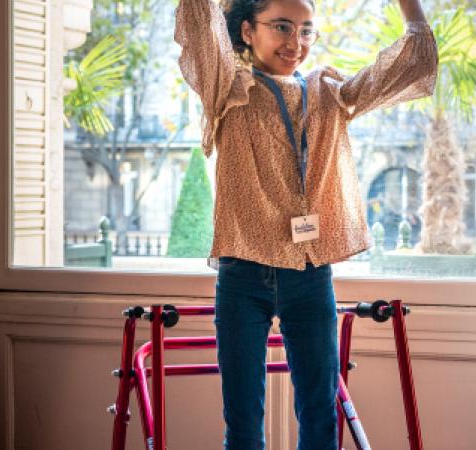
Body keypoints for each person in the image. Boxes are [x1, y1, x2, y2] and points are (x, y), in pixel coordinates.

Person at [174, 0, 437, 447]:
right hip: (242, 275)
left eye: (306, 30)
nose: (295, 43)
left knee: (320, 415)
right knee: (242, 423)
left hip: (311, 274)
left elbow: (416, 63)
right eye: (281, 27)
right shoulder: (227, 86)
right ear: (245, 31)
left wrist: (407, 4)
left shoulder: (327, 92)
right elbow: (198, 18)